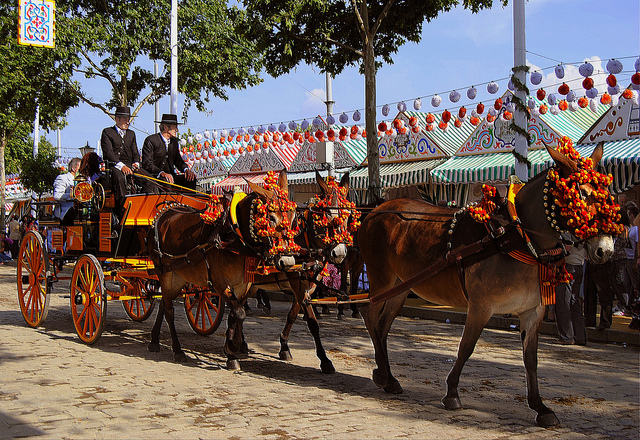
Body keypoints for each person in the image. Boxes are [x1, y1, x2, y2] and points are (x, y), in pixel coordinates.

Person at [100, 106, 156, 217]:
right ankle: (124, 208)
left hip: (131, 166)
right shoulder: (107, 132)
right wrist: (122, 166)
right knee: (120, 177)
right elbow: (108, 153)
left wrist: (136, 163)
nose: (127, 122)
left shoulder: (131, 134)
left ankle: (146, 206)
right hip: (114, 166)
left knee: (149, 179)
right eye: (125, 119)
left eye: (128, 119)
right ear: (117, 119)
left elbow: (135, 152)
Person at [142, 113, 196, 192]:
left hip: (171, 176)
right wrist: (161, 173)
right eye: (175, 128)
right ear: (166, 127)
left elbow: (179, 161)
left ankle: (189, 203)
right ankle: (171, 203)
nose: (177, 130)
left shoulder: (174, 142)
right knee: (167, 181)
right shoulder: (151, 140)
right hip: (156, 177)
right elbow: (147, 163)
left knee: (190, 179)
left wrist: (186, 170)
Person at [554, 234, 587, 345]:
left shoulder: (567, 231)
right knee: (573, 301)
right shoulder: (582, 232)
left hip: (567, 267)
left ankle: (566, 336)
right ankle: (580, 335)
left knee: (563, 302)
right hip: (579, 266)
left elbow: (566, 248)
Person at [53, 158, 81, 226]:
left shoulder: (83, 180)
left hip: (80, 209)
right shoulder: (63, 178)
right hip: (67, 211)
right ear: (74, 168)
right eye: (80, 168)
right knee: (74, 212)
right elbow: (57, 195)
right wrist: (72, 196)